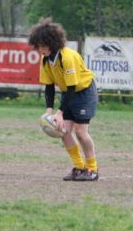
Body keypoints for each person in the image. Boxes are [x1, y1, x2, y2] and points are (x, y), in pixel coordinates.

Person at [28, 18, 99, 181]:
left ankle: (92, 169)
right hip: (69, 93)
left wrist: (60, 112)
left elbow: (72, 88)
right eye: (36, 46)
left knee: (81, 132)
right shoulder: (45, 59)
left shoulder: (68, 57)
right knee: (63, 131)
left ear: (50, 42)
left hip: (84, 92)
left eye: (40, 45)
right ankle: (79, 168)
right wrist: (49, 112)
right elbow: (49, 86)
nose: (38, 49)